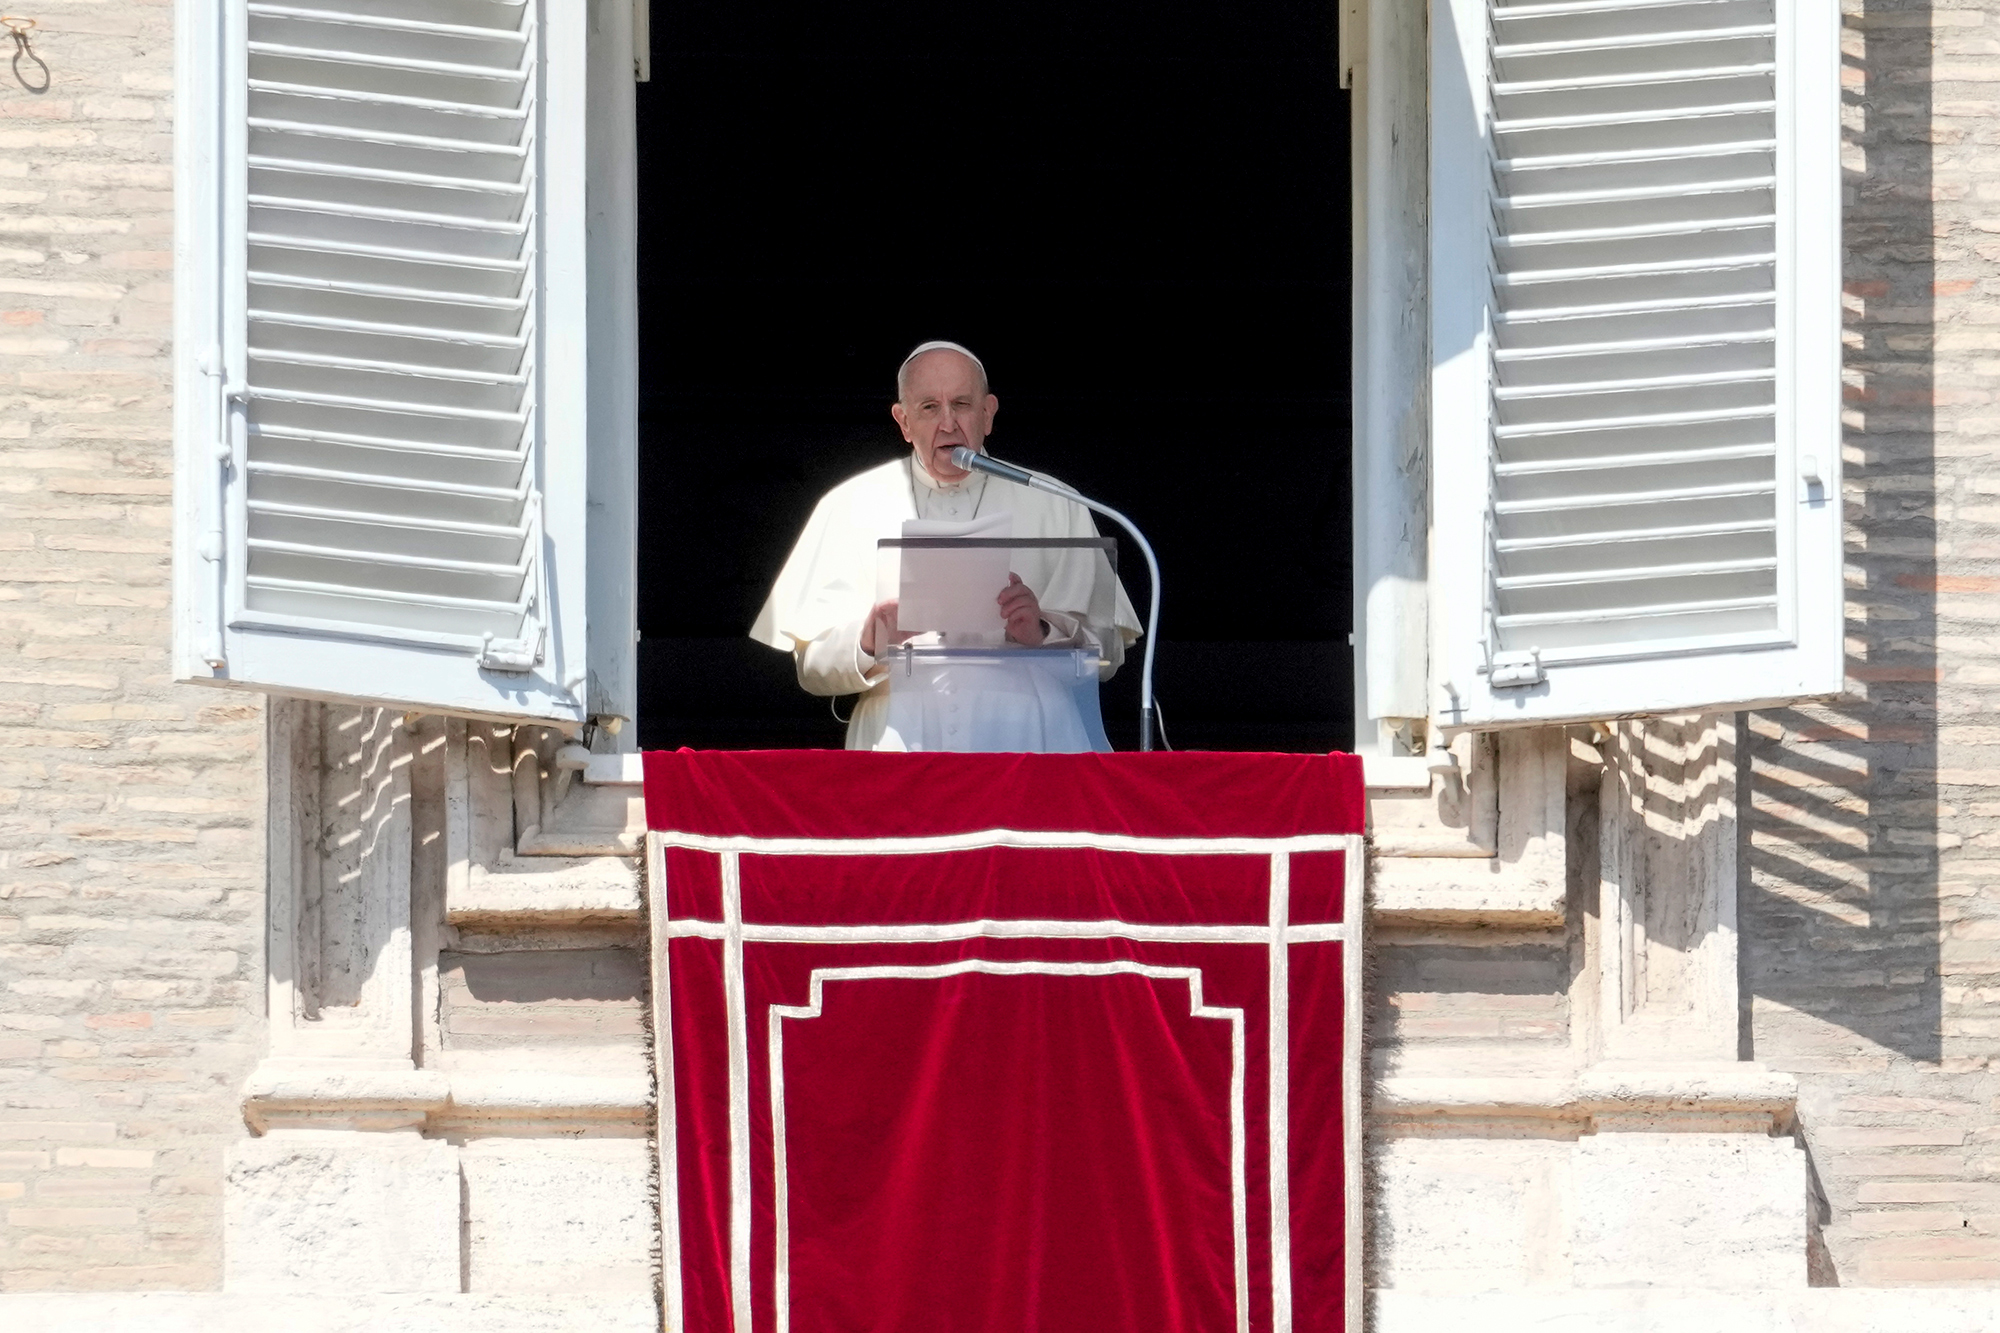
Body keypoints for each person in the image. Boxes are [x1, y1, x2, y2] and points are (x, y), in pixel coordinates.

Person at [751, 341, 1142, 750]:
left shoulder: (1056, 501)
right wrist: (870, 639)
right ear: (903, 421)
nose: (948, 423)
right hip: (900, 751)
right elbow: (811, 670)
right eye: (929, 408)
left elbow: (1108, 655)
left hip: (1031, 745)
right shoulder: (849, 505)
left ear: (988, 413)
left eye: (961, 404)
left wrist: (1042, 632)